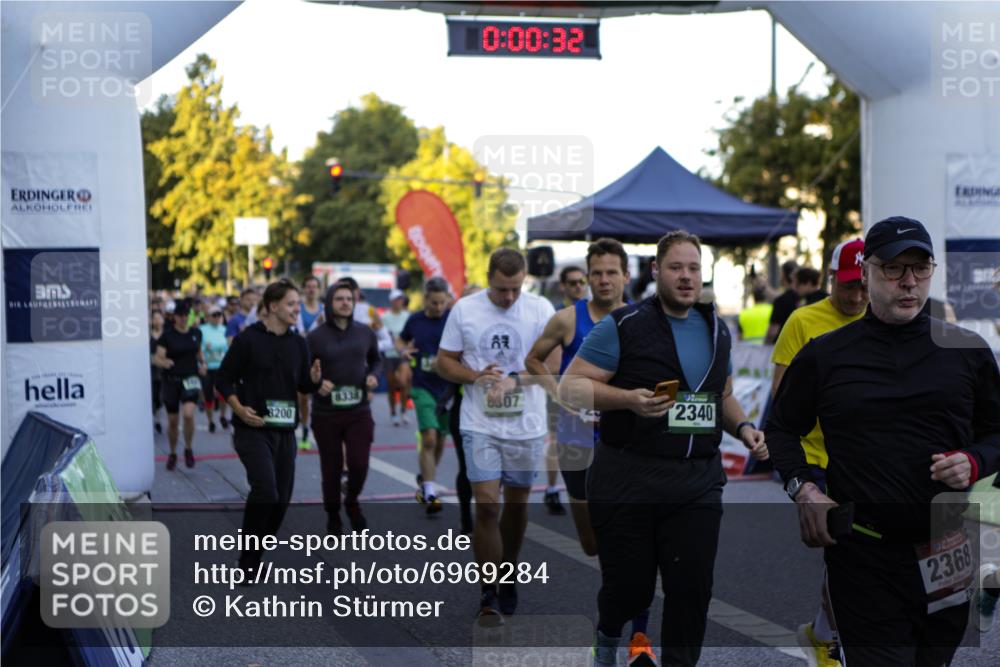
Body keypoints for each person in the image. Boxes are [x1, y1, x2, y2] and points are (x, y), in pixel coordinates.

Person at [767, 216, 1000, 666]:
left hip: (945, 547)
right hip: (864, 554)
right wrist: (804, 488)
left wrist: (974, 461)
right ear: (868, 270)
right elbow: (781, 427)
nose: (909, 282)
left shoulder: (966, 350)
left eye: (920, 268)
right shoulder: (827, 354)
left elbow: (996, 431)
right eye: (894, 269)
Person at [559, 230, 769, 667]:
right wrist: (628, 400)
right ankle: (608, 635)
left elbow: (722, 394)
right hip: (628, 476)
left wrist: (744, 427)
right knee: (629, 588)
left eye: (694, 268)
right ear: (656, 271)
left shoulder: (717, 329)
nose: (687, 277)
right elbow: (571, 387)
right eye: (676, 267)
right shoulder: (623, 325)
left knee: (691, 588)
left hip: (696, 481)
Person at [437, 248, 556, 624]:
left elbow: (552, 364)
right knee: (487, 504)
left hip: (527, 425)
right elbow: (444, 361)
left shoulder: (539, 309)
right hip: (479, 422)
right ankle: (488, 589)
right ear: (489, 277)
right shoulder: (465, 309)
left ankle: (508, 571)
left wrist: (514, 380)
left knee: (517, 506)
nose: (509, 297)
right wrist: (477, 377)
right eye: (503, 289)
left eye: (516, 289)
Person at [770, 238, 868, 667]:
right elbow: (780, 396)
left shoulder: (884, 320)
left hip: (867, 457)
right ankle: (831, 644)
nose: (858, 295)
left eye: (864, 285)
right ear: (830, 278)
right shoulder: (803, 320)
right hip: (815, 458)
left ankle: (821, 633)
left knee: (857, 553)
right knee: (841, 549)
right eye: (849, 285)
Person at [525, 237, 630, 553]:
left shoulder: (639, 319)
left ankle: (624, 599)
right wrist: (557, 393)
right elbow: (533, 360)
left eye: (612, 272)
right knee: (590, 544)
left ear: (625, 276)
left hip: (622, 438)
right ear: (588, 277)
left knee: (624, 531)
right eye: (596, 273)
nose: (604, 280)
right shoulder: (568, 319)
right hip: (576, 439)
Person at [216, 279, 321, 575]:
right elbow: (223, 379)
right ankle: (248, 561)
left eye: (298, 304)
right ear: (272, 306)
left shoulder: (299, 343)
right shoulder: (249, 339)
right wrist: (237, 407)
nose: (296, 310)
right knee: (266, 490)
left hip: (285, 431)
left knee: (281, 500)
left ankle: (257, 548)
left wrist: (313, 378)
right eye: (291, 304)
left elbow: (302, 385)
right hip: (253, 428)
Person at [307, 281, 382, 534]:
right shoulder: (315, 337)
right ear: (329, 303)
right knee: (331, 467)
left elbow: (376, 360)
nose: (345, 303)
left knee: (359, 463)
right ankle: (333, 514)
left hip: (358, 410)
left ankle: (351, 501)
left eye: (349, 299)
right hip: (325, 413)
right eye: (339, 299)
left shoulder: (365, 332)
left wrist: (373, 375)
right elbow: (302, 374)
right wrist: (316, 383)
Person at [398, 278, 451, 515]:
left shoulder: (453, 319)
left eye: (442, 302)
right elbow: (401, 339)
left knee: (439, 439)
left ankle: (427, 476)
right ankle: (429, 491)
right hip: (422, 386)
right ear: (425, 299)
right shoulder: (415, 320)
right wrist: (402, 350)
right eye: (434, 303)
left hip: (448, 388)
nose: (439, 307)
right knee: (428, 437)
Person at [153, 299, 207, 470]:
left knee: (189, 414)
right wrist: (164, 362)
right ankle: (173, 452)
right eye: (180, 315)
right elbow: (157, 357)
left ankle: (189, 449)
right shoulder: (167, 336)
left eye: (186, 315)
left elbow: (199, 353)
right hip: (172, 381)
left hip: (190, 379)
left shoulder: (196, 333)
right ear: (174, 317)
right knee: (173, 421)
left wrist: (203, 364)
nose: (184, 318)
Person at [296, 276, 326, 450]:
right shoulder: (298, 309)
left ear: (319, 289)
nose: (312, 290)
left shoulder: (324, 309)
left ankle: (317, 430)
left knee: (320, 396)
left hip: (320, 357)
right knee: (303, 398)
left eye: (315, 286)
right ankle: (305, 429)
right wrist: (316, 326)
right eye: (308, 286)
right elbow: (301, 334)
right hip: (302, 356)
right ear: (304, 289)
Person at [382, 288, 413, 427]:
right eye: (397, 299)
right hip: (389, 354)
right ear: (391, 301)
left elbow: (412, 335)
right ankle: (393, 413)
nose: (400, 301)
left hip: (403, 354)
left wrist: (409, 345)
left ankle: (404, 410)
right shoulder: (384, 317)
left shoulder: (408, 316)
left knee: (403, 382)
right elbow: (380, 335)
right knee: (391, 386)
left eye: (401, 299)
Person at [200, 305, 230, 432]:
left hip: (222, 367)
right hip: (208, 367)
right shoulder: (202, 329)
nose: (217, 317)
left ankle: (223, 416)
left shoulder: (224, 329)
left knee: (224, 393)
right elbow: (199, 348)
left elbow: (229, 348)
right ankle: (211, 421)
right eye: (214, 315)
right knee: (208, 395)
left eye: (219, 315)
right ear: (208, 317)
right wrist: (202, 363)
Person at [766, 259, 801, 344]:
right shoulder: (803, 298)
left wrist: (764, 345)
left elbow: (772, 332)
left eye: (781, 273)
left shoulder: (781, 301)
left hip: (782, 348)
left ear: (784, 275)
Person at [150, 310, 165, 435]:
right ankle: (153, 420)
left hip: (164, 371)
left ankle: (158, 420)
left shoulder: (167, 335)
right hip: (152, 371)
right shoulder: (147, 335)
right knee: (152, 396)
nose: (157, 321)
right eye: (154, 318)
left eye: (159, 318)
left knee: (161, 398)